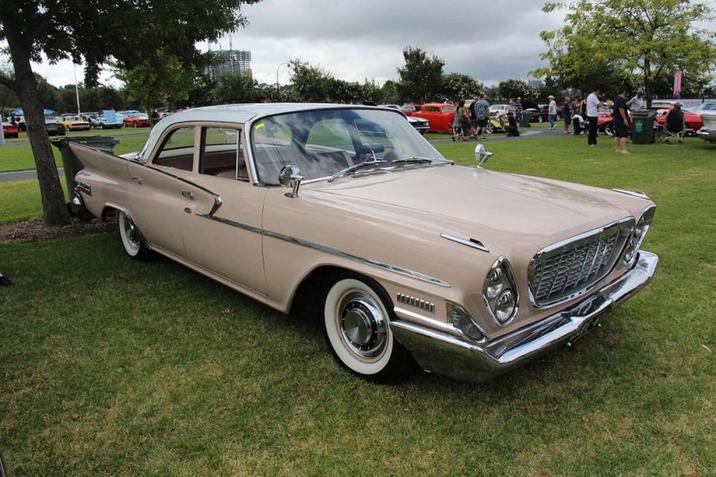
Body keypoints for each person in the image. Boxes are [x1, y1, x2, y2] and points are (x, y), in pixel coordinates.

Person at [612, 87, 630, 154]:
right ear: (624, 91)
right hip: (621, 119)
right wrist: (625, 119)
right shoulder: (621, 99)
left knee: (617, 134)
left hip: (616, 119)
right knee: (623, 135)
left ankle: (617, 149)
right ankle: (624, 150)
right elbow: (621, 109)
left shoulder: (616, 99)